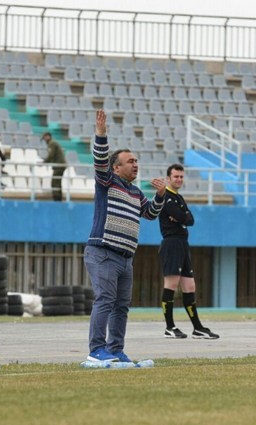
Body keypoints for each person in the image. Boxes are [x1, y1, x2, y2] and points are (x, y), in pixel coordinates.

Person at [84, 109, 167, 363]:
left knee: (121, 306)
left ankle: (116, 349)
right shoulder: (107, 182)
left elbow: (150, 214)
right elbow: (99, 161)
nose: (136, 164)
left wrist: (161, 196)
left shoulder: (135, 191)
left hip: (126, 258)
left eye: (136, 161)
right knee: (105, 300)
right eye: (130, 161)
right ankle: (97, 350)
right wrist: (101, 134)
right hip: (104, 252)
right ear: (116, 167)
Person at [159, 164, 219, 339]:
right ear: (168, 178)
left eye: (181, 177)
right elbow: (182, 217)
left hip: (183, 244)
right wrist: (181, 217)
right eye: (175, 176)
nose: (178, 179)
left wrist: (181, 217)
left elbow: (189, 219)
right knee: (170, 285)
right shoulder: (166, 197)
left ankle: (197, 328)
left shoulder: (179, 197)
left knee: (190, 286)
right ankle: (169, 327)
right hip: (171, 244)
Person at [41, 132, 66, 201]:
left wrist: (44, 162)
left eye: (45, 138)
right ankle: (58, 198)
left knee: (55, 182)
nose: (45, 140)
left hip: (59, 165)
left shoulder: (52, 143)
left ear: (48, 136)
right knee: (57, 182)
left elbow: (51, 155)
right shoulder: (53, 143)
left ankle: (57, 199)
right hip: (60, 165)